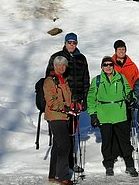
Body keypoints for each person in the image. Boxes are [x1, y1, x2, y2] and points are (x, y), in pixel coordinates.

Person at [87, 56, 138, 177]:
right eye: (105, 65)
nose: (108, 67)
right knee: (107, 142)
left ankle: (130, 165)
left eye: (110, 64)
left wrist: (132, 98)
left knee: (125, 141)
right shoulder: (97, 80)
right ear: (102, 66)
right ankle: (108, 165)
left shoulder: (120, 77)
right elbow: (91, 98)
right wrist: (93, 114)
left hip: (120, 114)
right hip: (104, 115)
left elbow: (128, 91)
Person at [46, 32, 90, 173]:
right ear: (65, 43)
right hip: (61, 104)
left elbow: (85, 80)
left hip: (76, 103)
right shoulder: (57, 57)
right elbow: (50, 79)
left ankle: (70, 164)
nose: (72, 45)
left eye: (74, 42)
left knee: (71, 135)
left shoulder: (81, 58)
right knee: (61, 139)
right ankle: (58, 170)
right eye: (69, 42)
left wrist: (84, 99)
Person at [44, 56, 74, 185]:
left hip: (64, 116)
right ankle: (62, 176)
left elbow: (67, 99)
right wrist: (65, 108)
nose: (61, 67)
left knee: (57, 146)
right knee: (65, 145)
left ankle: (53, 175)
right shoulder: (49, 81)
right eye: (59, 65)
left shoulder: (64, 80)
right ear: (54, 66)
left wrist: (73, 105)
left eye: (64, 65)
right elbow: (51, 102)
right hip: (55, 117)